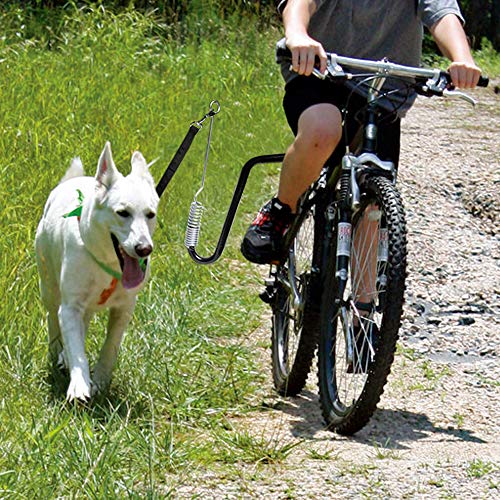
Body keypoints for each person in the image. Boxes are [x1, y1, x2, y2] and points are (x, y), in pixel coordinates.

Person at [240, 0, 481, 265]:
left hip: (384, 91)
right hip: (320, 72)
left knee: (373, 205)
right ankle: (280, 211)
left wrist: (462, 59)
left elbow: (442, 13)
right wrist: (297, 34)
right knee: (322, 130)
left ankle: (363, 304)